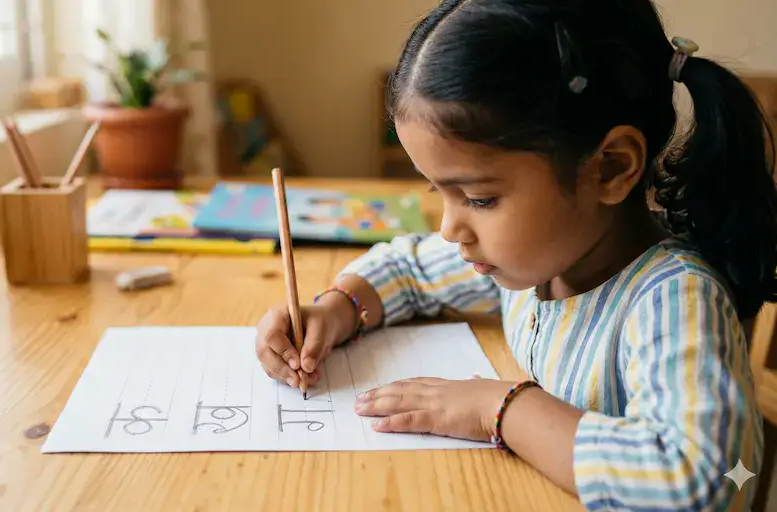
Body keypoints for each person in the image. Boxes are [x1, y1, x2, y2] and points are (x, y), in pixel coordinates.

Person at [254, 0, 777, 510]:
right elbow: (409, 268)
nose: (451, 227)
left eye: (479, 198)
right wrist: (337, 307)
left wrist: (499, 408)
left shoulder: (673, 300)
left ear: (610, 169)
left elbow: (709, 483)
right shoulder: (539, 259)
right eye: (439, 191)